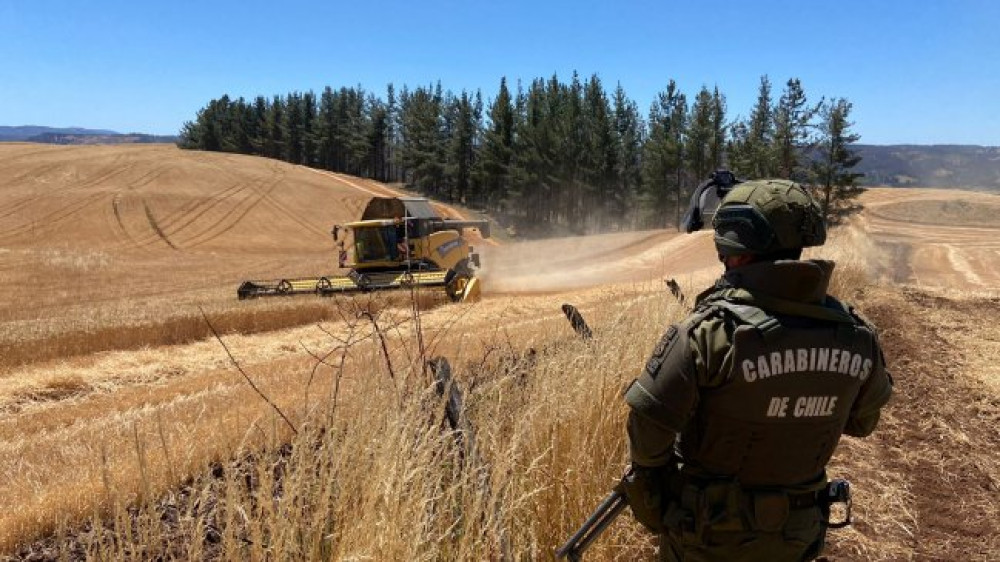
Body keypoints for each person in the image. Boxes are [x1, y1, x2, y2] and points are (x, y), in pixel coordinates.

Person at [622, 179, 893, 561]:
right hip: (797, 537)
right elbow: (862, 424)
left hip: (709, 538)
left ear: (733, 246)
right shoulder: (856, 335)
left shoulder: (711, 332)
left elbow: (648, 430)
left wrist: (663, 503)